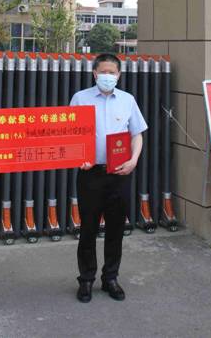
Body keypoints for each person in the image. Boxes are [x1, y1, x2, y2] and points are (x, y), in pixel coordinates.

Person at [70, 53, 147, 303]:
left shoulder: (127, 100)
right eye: (103, 72)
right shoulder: (80, 98)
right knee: (88, 229)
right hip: (90, 174)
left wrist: (133, 160)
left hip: (120, 174)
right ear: (94, 74)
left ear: (119, 75)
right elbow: (70, 134)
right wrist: (78, 156)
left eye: (112, 73)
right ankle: (86, 279)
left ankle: (110, 278)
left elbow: (136, 134)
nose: (107, 76)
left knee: (116, 229)